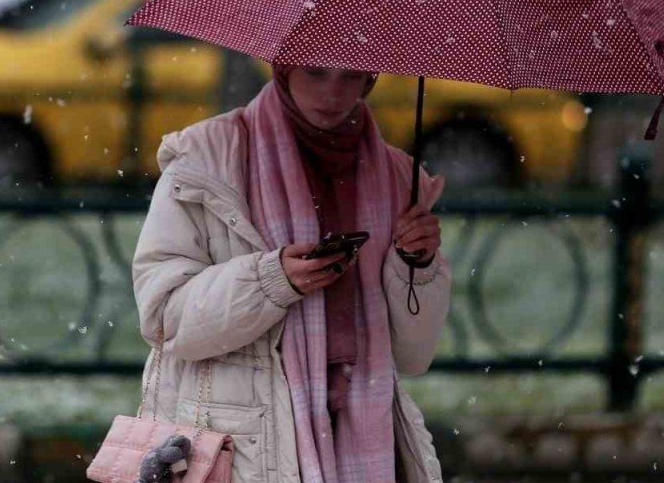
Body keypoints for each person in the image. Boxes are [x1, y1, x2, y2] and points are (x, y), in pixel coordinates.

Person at [132, 64, 450, 482]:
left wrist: (417, 265)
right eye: (317, 73)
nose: (333, 92)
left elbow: (413, 354)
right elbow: (164, 318)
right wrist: (270, 281)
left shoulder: (397, 178)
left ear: (370, 80)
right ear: (283, 67)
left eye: (351, 76)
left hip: (364, 439)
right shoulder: (207, 159)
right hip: (245, 445)